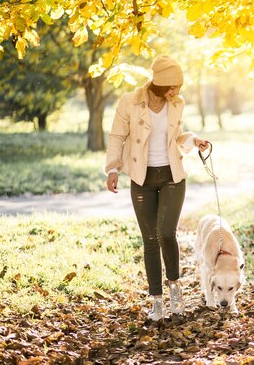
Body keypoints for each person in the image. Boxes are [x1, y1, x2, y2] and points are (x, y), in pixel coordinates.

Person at [104, 55, 209, 321]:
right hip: (142, 178)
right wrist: (113, 168)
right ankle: (157, 301)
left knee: (166, 233)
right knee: (149, 240)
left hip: (172, 175)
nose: (176, 92)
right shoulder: (130, 102)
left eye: (178, 87)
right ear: (158, 83)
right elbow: (117, 135)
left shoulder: (177, 103)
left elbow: (176, 135)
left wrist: (193, 140)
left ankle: (175, 290)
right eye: (171, 87)